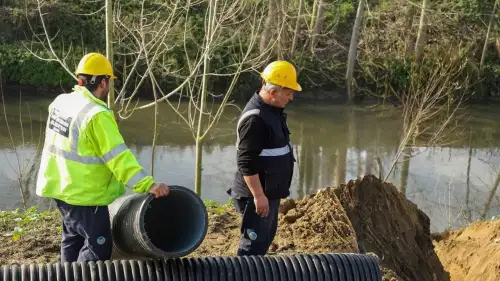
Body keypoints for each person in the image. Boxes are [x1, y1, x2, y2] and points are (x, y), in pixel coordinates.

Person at [36, 52, 170, 263]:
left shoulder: (61, 102)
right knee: (98, 248)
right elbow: (119, 158)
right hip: (86, 197)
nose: (109, 87)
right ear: (103, 81)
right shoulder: (96, 115)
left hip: (61, 189)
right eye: (108, 81)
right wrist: (147, 184)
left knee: (73, 239)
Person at [228, 60, 301, 256]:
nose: (291, 97)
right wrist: (259, 196)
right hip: (256, 196)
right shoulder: (255, 119)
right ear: (273, 92)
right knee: (252, 248)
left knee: (264, 241)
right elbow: (246, 162)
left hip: (269, 193)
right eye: (288, 93)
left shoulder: (272, 111)